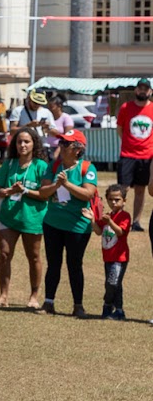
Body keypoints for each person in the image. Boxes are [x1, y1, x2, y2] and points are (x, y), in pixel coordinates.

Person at [0, 127, 50, 309]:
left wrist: (25, 191)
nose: (22, 145)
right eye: (19, 141)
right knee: (5, 254)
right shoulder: (10, 163)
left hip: (33, 217)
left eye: (27, 141)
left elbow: (45, 194)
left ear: (34, 144)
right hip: (8, 215)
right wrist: (9, 191)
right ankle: (3, 296)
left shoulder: (41, 166)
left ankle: (33, 297)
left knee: (34, 257)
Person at [39, 130, 98, 318]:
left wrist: (66, 185)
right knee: (53, 264)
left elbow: (88, 194)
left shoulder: (87, 168)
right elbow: (43, 193)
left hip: (77, 226)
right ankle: (48, 302)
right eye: (62, 142)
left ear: (78, 149)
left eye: (67, 143)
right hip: (53, 223)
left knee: (75, 265)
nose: (61, 146)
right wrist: (57, 185)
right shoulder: (54, 165)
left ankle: (78, 305)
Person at [116, 79, 153, 231]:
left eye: (146, 88)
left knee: (140, 189)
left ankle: (136, 221)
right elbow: (120, 129)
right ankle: (118, 218)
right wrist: (128, 144)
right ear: (136, 90)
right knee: (123, 188)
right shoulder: (126, 107)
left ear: (150, 91)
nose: (143, 91)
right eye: (140, 88)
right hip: (128, 154)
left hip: (147, 156)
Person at [94, 183, 131, 320]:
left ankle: (109, 305)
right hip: (108, 257)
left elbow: (120, 232)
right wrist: (92, 219)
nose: (114, 202)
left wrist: (110, 222)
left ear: (124, 201)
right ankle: (117, 310)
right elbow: (98, 231)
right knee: (112, 283)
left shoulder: (125, 216)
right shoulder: (107, 216)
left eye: (117, 199)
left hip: (120, 258)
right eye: (110, 199)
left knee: (113, 283)